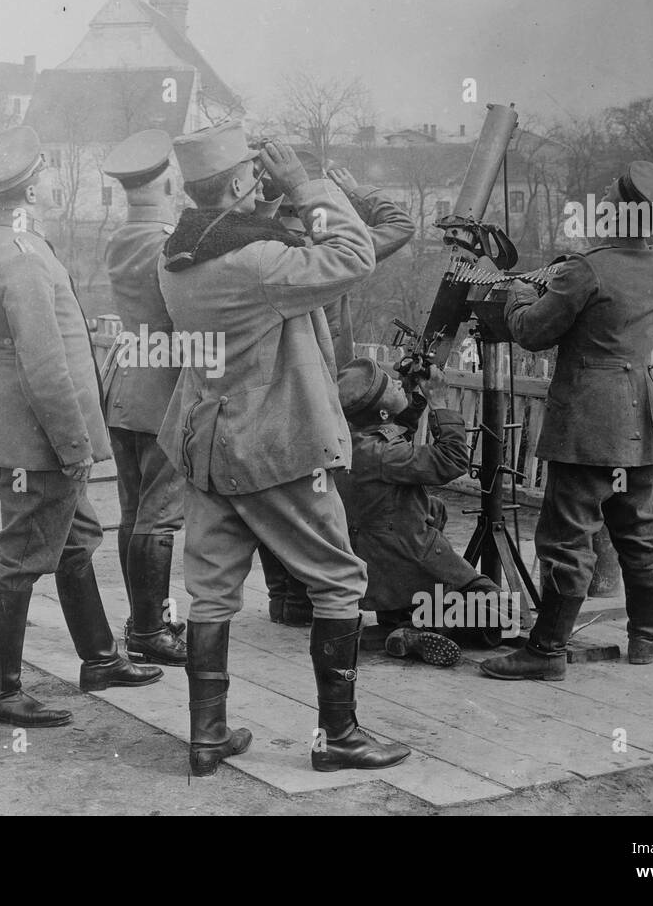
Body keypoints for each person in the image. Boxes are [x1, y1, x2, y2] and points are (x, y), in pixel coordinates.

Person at [157, 122, 411, 776]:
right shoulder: (258, 264)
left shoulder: (180, 253)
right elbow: (352, 253)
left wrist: (264, 203)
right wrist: (302, 184)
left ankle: (207, 738)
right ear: (243, 182)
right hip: (275, 445)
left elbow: (245, 234)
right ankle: (339, 736)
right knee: (338, 582)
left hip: (208, 445)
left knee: (211, 593)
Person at [0, 125, 161, 729]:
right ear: (30, 188)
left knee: (75, 541)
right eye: (46, 176)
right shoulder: (22, 258)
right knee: (22, 557)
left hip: (32, 430)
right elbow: (44, 365)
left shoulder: (15, 243)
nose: (52, 183)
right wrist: (75, 446)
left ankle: (99, 659)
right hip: (37, 438)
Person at [482, 161, 653, 681]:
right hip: (640, 418)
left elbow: (531, 331)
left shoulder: (584, 269)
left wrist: (522, 293)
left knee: (568, 535)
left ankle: (546, 652)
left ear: (617, 212)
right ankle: (646, 638)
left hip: (590, 421)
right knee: (637, 528)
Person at [256, 159, 420, 628]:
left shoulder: (258, 245)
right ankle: (307, 597)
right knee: (319, 490)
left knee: (274, 488)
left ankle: (283, 597)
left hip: (269, 386)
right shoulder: (330, 245)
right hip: (322, 387)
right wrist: (358, 190)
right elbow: (401, 225)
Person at [336, 359, 503, 667]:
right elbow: (451, 460)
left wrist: (415, 393)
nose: (397, 382)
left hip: (380, 566)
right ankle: (418, 629)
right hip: (409, 555)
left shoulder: (354, 439)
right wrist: (439, 400)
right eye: (391, 385)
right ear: (382, 413)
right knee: (505, 614)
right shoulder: (384, 453)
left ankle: (401, 624)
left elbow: (396, 431)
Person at [99, 129, 187, 668]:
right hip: (165, 388)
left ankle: (141, 620)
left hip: (127, 381)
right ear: (169, 182)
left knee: (133, 511)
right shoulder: (170, 241)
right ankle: (151, 631)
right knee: (161, 514)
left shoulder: (120, 238)